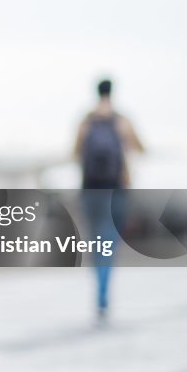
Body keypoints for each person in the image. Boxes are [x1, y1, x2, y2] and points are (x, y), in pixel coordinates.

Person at [74, 78, 144, 323]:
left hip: (90, 190)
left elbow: (75, 152)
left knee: (95, 244)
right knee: (109, 243)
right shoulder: (122, 121)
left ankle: (98, 289)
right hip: (115, 191)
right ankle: (103, 294)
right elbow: (140, 147)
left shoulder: (86, 121)